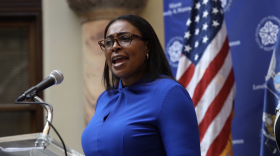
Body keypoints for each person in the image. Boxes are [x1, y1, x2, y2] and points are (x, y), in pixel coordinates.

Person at [81, 14, 201, 156]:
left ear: (147, 46)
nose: (114, 47)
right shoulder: (105, 98)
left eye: (125, 38)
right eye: (108, 42)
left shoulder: (169, 93)